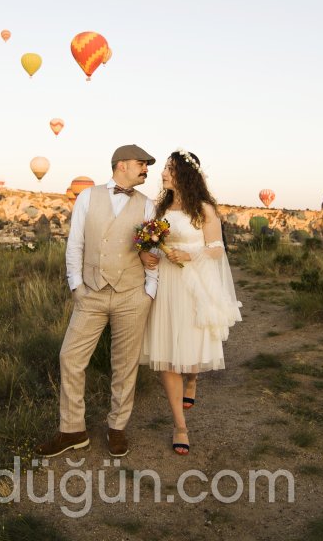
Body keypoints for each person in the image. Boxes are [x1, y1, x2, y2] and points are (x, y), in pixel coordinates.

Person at [36, 144, 158, 459]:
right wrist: (75, 284)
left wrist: (150, 292)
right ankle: (73, 429)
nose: (146, 169)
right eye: (142, 164)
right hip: (90, 293)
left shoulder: (148, 205)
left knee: (125, 364)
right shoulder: (87, 196)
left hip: (132, 294)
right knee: (70, 357)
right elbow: (75, 242)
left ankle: (117, 427)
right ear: (122, 165)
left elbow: (153, 253)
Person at [139, 149, 242, 454]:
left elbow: (216, 249)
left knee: (191, 353)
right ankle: (180, 426)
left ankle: (193, 379)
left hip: (194, 282)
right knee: (168, 352)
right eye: (165, 169)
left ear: (185, 173)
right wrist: (149, 253)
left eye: (169, 169)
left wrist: (191, 254)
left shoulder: (204, 209)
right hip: (167, 284)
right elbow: (152, 241)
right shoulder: (160, 208)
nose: (163, 173)